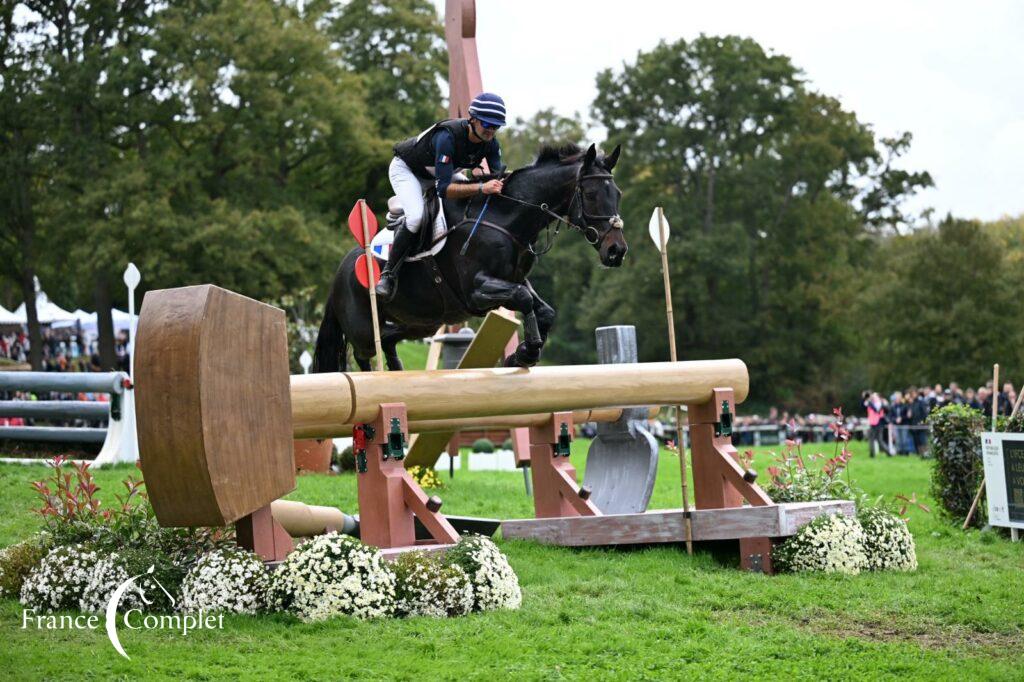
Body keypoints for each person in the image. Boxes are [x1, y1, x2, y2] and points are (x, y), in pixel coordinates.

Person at [375, 92, 508, 302]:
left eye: (496, 126)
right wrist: (481, 187)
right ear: (472, 119)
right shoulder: (447, 136)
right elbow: (444, 189)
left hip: (441, 173)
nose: (491, 130)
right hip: (408, 171)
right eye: (487, 124)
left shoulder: (491, 144)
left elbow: (498, 178)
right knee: (417, 217)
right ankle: (388, 275)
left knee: (471, 198)